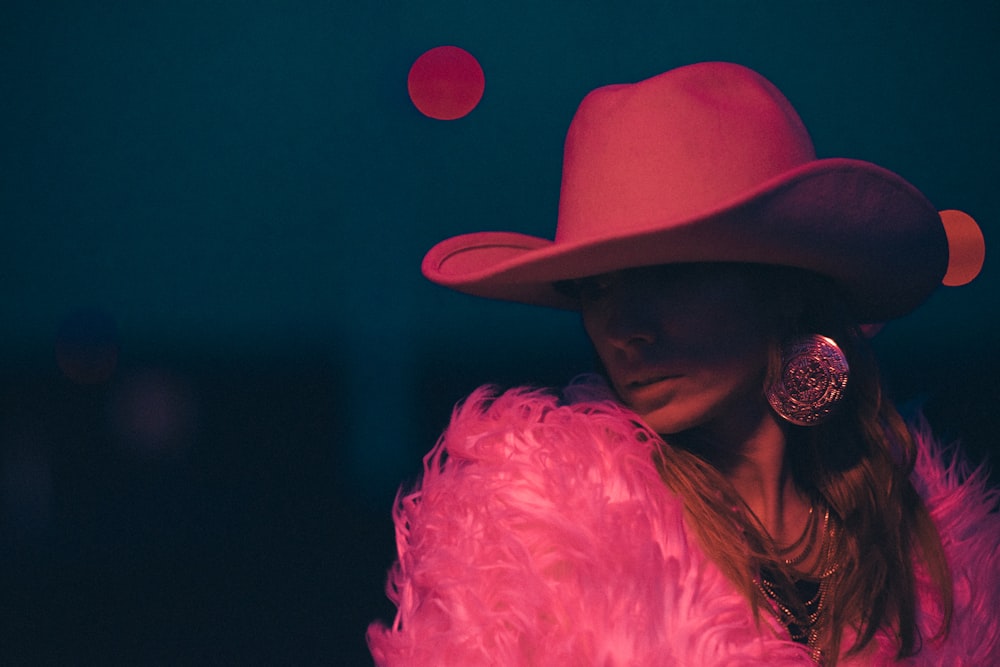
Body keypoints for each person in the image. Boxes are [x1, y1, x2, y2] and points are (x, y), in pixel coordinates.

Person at [366, 62, 998, 665]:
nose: (624, 329)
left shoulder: (933, 550)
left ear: (780, 286)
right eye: (596, 288)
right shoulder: (535, 540)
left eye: (669, 275)